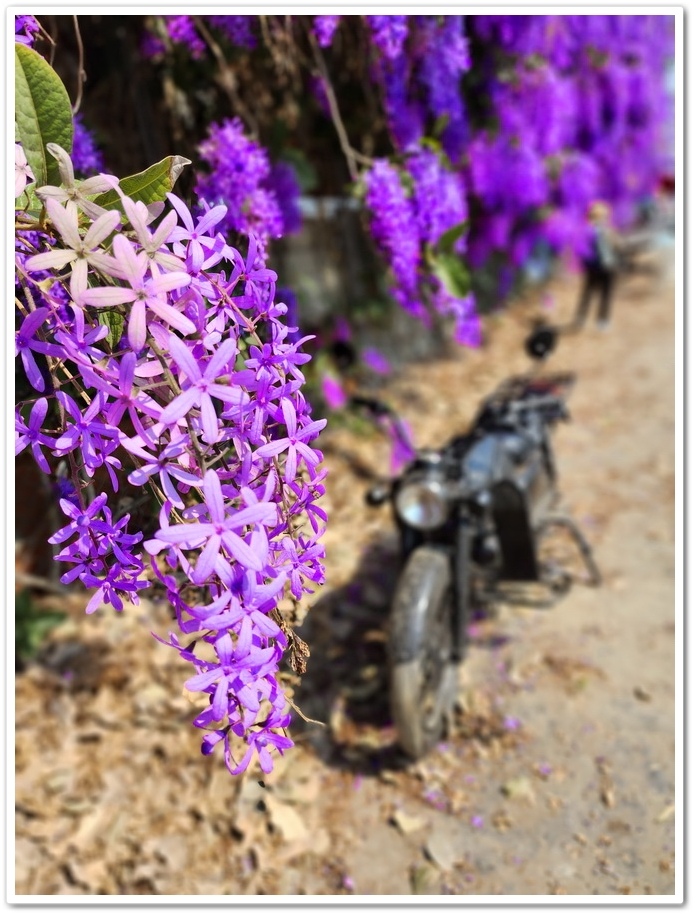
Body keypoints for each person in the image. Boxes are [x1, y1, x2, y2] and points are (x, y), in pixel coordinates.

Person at [572, 201, 618, 331]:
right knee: (602, 293)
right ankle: (600, 320)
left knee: (591, 292)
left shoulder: (591, 229)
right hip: (603, 265)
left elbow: (582, 250)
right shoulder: (600, 229)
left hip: (599, 266)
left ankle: (584, 318)